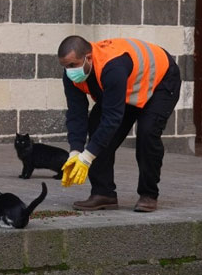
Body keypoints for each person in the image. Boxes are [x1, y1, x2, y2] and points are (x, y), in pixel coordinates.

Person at [56, 35, 182, 213]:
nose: (69, 71)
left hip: (161, 80)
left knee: (147, 133)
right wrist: (75, 151)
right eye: (65, 66)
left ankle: (148, 194)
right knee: (97, 126)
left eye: (72, 65)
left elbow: (112, 118)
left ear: (88, 58)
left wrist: (87, 157)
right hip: (129, 84)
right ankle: (103, 193)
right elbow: (76, 114)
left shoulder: (112, 67)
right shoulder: (71, 75)